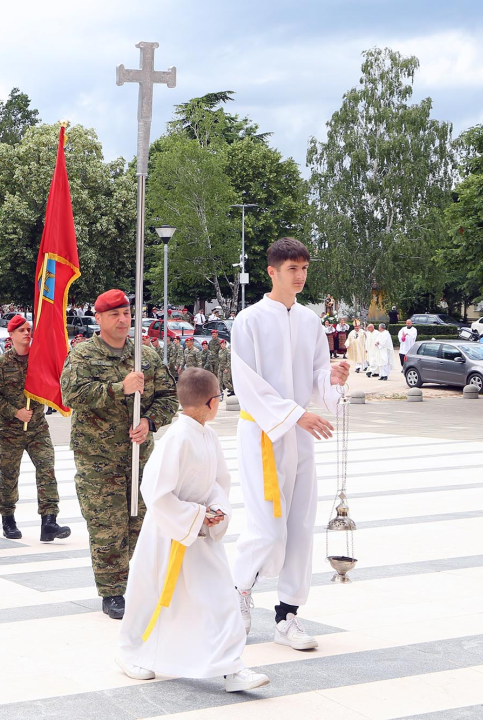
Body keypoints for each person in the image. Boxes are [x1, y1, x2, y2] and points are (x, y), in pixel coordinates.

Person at [116, 368, 270, 692]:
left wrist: (216, 511)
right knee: (150, 597)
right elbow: (155, 491)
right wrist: (194, 516)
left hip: (200, 533)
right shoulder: (177, 437)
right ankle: (131, 652)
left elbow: (218, 482)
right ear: (212, 402)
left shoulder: (207, 435)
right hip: (168, 534)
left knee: (220, 598)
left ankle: (231, 667)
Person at [231, 238, 349, 651]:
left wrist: (333, 379)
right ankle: (238, 590)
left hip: (300, 434)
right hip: (265, 433)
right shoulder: (248, 320)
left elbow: (317, 375)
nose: (299, 276)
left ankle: (288, 616)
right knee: (267, 527)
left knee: (300, 525)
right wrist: (296, 414)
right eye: (292, 269)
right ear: (272, 272)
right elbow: (248, 384)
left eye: (304, 269)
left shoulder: (309, 321)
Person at [60, 289, 178, 620]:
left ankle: (140, 584)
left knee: (140, 524)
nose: (123, 320)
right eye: (114, 314)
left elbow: (169, 397)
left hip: (139, 458)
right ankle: (112, 592)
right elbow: (72, 394)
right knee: (107, 527)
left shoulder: (146, 356)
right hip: (99, 460)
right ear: (98, 319)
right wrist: (119, 389)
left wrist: (149, 420)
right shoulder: (83, 355)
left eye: (126, 313)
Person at [0, 315, 71, 542]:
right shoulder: (0, 363)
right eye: (21, 330)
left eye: (28, 329)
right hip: (10, 430)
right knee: (9, 475)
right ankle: (8, 518)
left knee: (47, 469)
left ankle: (49, 521)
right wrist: (14, 411)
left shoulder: (39, 359)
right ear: (11, 334)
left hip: (37, 428)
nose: (27, 333)